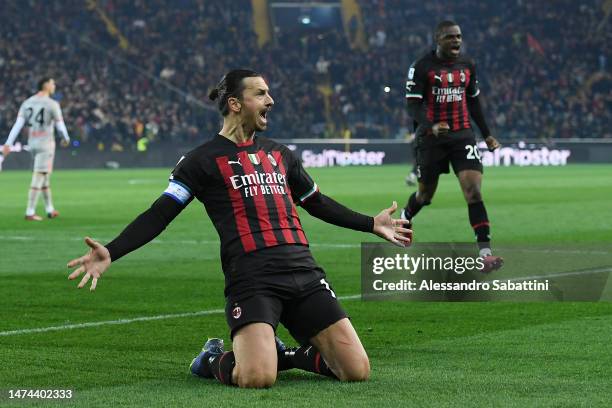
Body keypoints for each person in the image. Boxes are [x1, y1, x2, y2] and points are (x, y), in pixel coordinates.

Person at [67, 69, 412, 388]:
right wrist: (112, 251)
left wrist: (370, 223)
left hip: (304, 272)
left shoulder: (281, 155)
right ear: (235, 104)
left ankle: (284, 355)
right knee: (256, 378)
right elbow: (160, 214)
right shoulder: (200, 161)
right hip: (252, 277)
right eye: (260, 94)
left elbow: (316, 202)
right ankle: (212, 358)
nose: (270, 100)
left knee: (356, 370)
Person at [403, 21, 503, 272]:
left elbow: (474, 102)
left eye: (459, 36)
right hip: (431, 138)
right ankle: (405, 217)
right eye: (450, 37)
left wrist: (488, 135)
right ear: (438, 39)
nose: (456, 41)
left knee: (474, 192)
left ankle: (486, 254)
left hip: (462, 136)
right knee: (425, 195)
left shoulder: (468, 65)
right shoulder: (421, 67)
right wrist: (431, 125)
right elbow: (412, 105)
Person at [2, 77, 70, 221]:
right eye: (52, 83)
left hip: (32, 143)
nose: (54, 85)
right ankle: (30, 211)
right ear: (45, 85)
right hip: (46, 144)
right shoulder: (52, 104)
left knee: (44, 177)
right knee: (39, 176)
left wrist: (8, 143)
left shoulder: (27, 102)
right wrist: (66, 138)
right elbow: (60, 125)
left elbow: (18, 124)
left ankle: (50, 209)